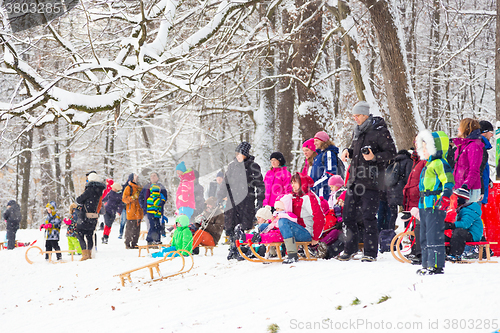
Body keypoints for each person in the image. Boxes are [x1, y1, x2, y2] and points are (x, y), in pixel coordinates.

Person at [338, 101, 396, 262]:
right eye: (353, 116)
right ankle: (350, 249)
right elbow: (354, 150)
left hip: (371, 182)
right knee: (348, 216)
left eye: (357, 116)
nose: (354, 118)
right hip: (354, 181)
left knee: (368, 217)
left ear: (365, 115)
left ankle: (370, 252)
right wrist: (347, 151)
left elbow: (392, 153)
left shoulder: (379, 131)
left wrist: (374, 157)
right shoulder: (357, 132)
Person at [415, 130, 455, 275]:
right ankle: (426, 264)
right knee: (424, 236)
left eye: (426, 147)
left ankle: (436, 265)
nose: (423, 151)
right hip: (424, 204)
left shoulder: (439, 163)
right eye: (423, 147)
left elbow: (448, 181)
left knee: (433, 235)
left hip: (435, 204)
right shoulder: (428, 165)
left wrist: (445, 196)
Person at [218, 142, 265, 237]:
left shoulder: (253, 166)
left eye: (241, 154)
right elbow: (225, 183)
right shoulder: (232, 166)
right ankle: (233, 248)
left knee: (244, 229)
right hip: (232, 202)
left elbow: (260, 185)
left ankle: (243, 248)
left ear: (246, 154)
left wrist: (260, 200)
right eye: (237, 154)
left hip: (246, 202)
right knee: (230, 227)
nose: (238, 156)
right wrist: (220, 196)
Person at [278, 173, 325, 264]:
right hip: (296, 230)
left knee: (283, 222)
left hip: (307, 233)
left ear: (302, 183)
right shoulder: (292, 197)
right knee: (268, 225)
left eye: (295, 182)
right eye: (292, 183)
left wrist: (315, 237)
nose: (292, 185)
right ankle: (257, 243)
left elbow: (319, 218)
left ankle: (292, 255)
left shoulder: (309, 197)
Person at [402, 147, 427, 265]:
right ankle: (416, 250)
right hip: (413, 197)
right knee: (415, 226)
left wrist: (414, 190)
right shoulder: (415, 161)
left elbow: (423, 180)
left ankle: (420, 252)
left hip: (418, 197)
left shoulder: (424, 161)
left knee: (419, 225)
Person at [452, 118, 484, 203]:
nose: (458, 129)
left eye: (460, 127)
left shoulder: (473, 146)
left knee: (467, 215)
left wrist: (466, 186)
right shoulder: (462, 145)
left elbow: (474, 170)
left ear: (466, 129)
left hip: (469, 190)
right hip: (459, 188)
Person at [445, 191, 483, 261]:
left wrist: (451, 225)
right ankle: (447, 253)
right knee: (449, 234)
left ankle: (456, 254)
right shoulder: (462, 209)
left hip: (473, 234)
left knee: (458, 232)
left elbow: (465, 224)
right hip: (467, 232)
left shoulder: (468, 210)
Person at [76, 172, 105, 260]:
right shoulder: (99, 191)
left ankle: (85, 254)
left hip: (85, 216)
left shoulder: (89, 190)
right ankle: (89, 254)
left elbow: (79, 200)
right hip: (94, 216)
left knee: (80, 233)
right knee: (89, 235)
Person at [385, 150, 413, 230]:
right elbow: (408, 177)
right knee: (406, 212)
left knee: (392, 214)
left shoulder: (394, 161)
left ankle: (390, 230)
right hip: (402, 190)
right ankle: (406, 229)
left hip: (391, 189)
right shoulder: (408, 161)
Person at [310, 131, 340, 201]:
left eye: (317, 141)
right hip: (317, 192)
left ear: (323, 141)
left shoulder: (329, 153)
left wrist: (313, 186)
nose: (314, 143)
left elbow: (330, 174)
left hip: (324, 193)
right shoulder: (320, 155)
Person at [122, 173, 143, 249]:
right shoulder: (128, 188)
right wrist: (132, 198)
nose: (137, 178)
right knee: (130, 229)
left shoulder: (140, 187)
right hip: (131, 211)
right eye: (135, 177)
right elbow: (124, 199)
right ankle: (127, 243)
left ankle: (134, 243)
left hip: (139, 211)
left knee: (137, 229)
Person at [479, 120, 494, 205]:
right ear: (484, 132)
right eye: (490, 132)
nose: (492, 135)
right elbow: (477, 170)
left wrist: (487, 179)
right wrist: (481, 190)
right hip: (476, 192)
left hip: (478, 191)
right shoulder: (480, 147)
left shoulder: (481, 146)